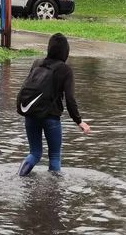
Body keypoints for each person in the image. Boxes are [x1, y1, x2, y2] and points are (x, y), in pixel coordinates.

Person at [18, 33, 91, 176]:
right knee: (55, 156)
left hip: (31, 116)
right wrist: (79, 121)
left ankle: (18, 178)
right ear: (66, 51)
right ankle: (54, 193)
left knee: (35, 153)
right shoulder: (65, 69)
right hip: (51, 118)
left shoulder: (37, 63)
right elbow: (70, 99)